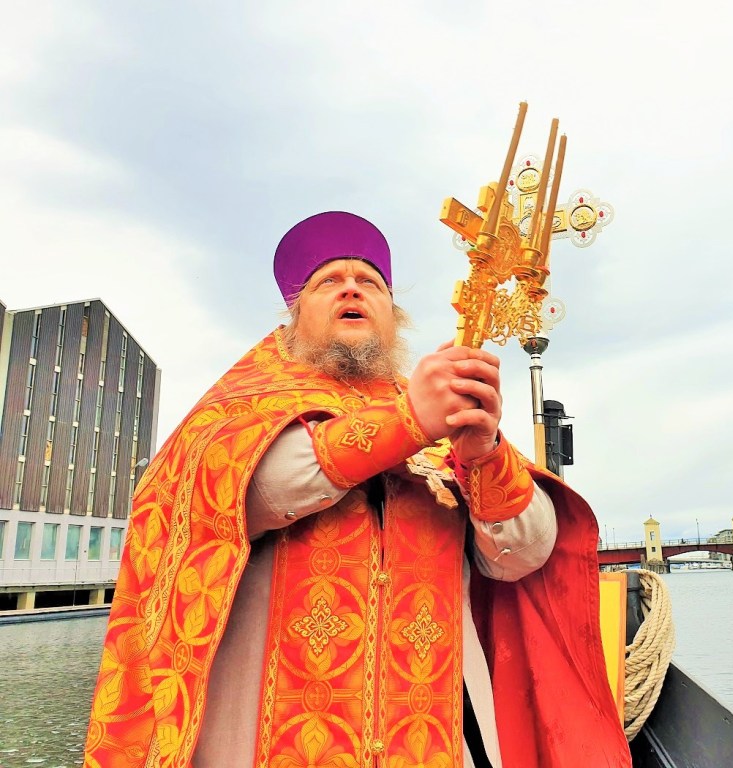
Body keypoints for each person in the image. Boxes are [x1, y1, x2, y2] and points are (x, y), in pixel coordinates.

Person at [84, 212, 630, 768]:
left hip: (438, 736)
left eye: (369, 282)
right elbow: (252, 488)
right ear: (294, 315)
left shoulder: (443, 417)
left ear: (393, 315)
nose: (351, 288)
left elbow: (521, 555)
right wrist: (409, 420)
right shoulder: (241, 406)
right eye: (329, 281)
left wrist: (485, 453)